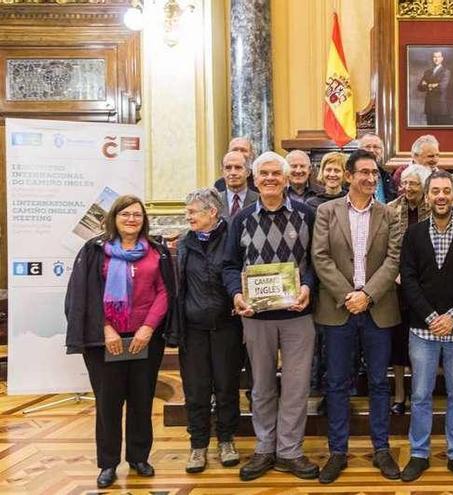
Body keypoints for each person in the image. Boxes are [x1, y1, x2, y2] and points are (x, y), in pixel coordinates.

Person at [65, 195, 174, 489]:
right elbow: (84, 294)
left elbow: (165, 293)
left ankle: (139, 458)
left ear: (144, 220)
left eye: (137, 215)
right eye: (125, 214)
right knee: (108, 403)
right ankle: (108, 463)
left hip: (144, 340)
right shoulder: (96, 251)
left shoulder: (156, 252)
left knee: (141, 399)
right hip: (105, 342)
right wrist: (106, 329)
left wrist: (148, 328)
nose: (131, 219)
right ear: (114, 217)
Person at [222, 151, 319, 481]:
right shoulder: (242, 219)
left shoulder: (307, 215)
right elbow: (230, 265)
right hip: (255, 316)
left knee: (296, 387)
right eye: (263, 173)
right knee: (262, 386)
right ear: (254, 177)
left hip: (297, 315)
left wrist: (306, 286)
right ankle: (264, 449)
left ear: (288, 178)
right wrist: (236, 294)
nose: (270, 179)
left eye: (276, 174)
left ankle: (290, 451)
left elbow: (317, 263)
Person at [312, 149, 403, 483]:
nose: (369, 178)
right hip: (338, 310)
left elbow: (394, 259)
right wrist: (347, 295)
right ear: (348, 176)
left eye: (374, 174)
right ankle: (338, 451)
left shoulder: (389, 214)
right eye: (362, 172)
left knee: (380, 383)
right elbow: (320, 257)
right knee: (336, 383)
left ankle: (381, 448)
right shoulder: (326, 211)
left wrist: (367, 295)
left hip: (378, 308)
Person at [398, 170, 453, 483]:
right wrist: (432, 317)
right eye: (435, 191)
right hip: (422, 330)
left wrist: (452, 316)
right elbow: (407, 279)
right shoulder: (414, 234)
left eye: (446, 191)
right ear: (426, 195)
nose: (441, 197)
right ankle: (419, 454)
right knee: (420, 394)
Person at [171, 188, 242, 473]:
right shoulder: (185, 244)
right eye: (187, 211)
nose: (188, 216)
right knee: (197, 390)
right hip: (194, 331)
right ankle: (198, 446)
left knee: (226, 388)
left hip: (227, 327)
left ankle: (226, 441)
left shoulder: (231, 239)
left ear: (212, 212)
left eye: (193, 211)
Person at [387, 164, 432, 414]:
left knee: (422, 343)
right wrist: (395, 275)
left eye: (413, 184)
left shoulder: (434, 209)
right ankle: (399, 395)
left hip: (426, 288)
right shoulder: (390, 210)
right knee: (399, 343)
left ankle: (420, 392)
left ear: (424, 186)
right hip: (396, 289)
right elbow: (385, 248)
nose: (407, 188)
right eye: (404, 183)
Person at [219, 151, 259, 219]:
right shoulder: (214, 202)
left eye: (238, 167)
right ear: (222, 172)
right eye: (228, 168)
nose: (233, 172)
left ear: (248, 172)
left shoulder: (259, 200)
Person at [358, 133, 396, 204]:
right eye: (367, 147)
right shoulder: (353, 174)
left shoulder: (387, 176)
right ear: (359, 150)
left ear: (381, 152)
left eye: (376, 147)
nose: (372, 150)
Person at [417, 50, 451, 125]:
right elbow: (420, 87)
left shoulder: (446, 72)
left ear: (442, 58)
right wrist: (433, 85)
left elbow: (441, 88)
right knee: (430, 129)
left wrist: (427, 84)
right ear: (432, 58)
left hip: (440, 108)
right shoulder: (427, 72)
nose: (436, 59)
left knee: (441, 132)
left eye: (438, 57)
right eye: (434, 57)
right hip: (429, 107)